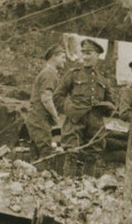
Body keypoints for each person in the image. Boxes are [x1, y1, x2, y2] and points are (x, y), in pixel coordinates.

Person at [51, 37, 115, 176]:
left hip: (95, 122)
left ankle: (87, 186)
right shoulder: (73, 74)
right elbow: (57, 96)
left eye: (89, 53)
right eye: (83, 53)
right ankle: (68, 185)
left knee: (93, 154)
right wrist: (69, 109)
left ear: (97, 56)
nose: (85, 57)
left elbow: (111, 103)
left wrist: (105, 108)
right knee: (71, 152)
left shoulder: (103, 79)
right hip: (75, 120)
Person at [30, 45, 69, 141]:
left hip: (41, 119)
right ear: (54, 57)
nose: (65, 61)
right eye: (62, 57)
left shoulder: (51, 73)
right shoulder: (48, 73)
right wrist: (56, 118)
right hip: (39, 119)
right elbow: (46, 99)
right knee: (46, 150)